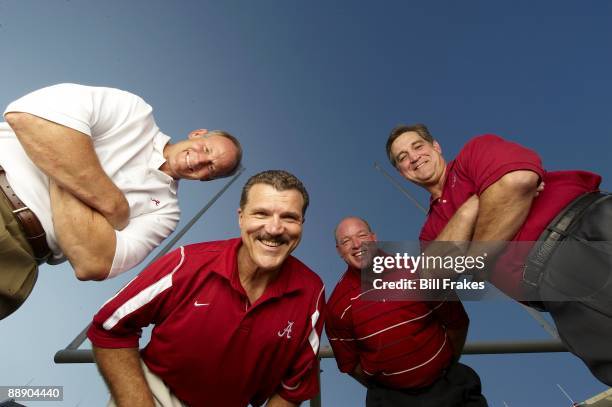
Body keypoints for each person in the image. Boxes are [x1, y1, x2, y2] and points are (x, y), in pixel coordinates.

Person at [386, 123, 612, 386]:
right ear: (402, 172)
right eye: (403, 157)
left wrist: (470, 255)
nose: (414, 157)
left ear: (436, 146)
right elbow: (434, 271)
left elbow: (518, 180)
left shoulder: (473, 153)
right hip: (555, 294)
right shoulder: (430, 231)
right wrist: (474, 203)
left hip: (588, 230)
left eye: (418, 146)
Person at [0, 83, 242, 320]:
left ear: (207, 179)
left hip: (19, 261)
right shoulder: (134, 113)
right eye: (207, 149)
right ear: (198, 133)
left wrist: (63, 157)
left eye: (211, 168)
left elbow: (93, 264)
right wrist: (114, 205)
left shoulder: (166, 213)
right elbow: (25, 117)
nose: (200, 160)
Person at [87, 170, 325, 407]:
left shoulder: (312, 293)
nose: (274, 228)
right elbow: (109, 326)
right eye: (261, 213)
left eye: (289, 218)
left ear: (301, 224)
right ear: (241, 217)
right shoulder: (187, 262)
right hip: (157, 395)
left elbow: (293, 389)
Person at [326, 216, 487, 406]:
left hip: (449, 387)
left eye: (362, 235)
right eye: (346, 241)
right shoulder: (336, 307)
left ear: (374, 238)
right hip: (392, 400)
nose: (356, 244)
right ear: (339, 251)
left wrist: (441, 367)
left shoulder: (419, 270)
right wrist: (392, 384)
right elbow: (351, 365)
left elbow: (457, 322)